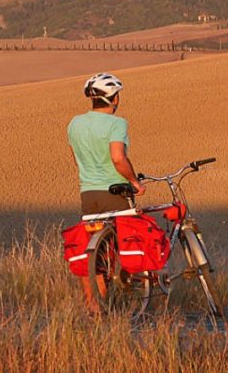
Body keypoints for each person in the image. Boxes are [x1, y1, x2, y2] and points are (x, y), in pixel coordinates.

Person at [68, 73, 146, 309]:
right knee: (129, 245)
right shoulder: (117, 123)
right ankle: (132, 299)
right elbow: (118, 158)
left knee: (93, 251)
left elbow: (76, 158)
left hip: (88, 195)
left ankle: (95, 306)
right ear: (114, 98)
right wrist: (134, 181)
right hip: (114, 193)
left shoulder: (74, 124)